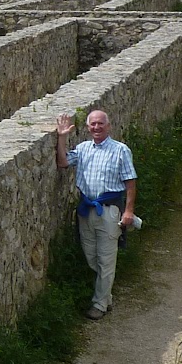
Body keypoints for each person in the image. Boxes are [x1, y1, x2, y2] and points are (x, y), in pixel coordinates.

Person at [55, 109, 137, 320]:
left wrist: (128, 211)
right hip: (86, 210)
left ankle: (99, 304)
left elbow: (130, 182)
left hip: (109, 211)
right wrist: (62, 137)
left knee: (106, 260)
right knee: (91, 256)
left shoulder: (120, 150)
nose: (97, 127)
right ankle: (106, 296)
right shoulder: (83, 149)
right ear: (88, 127)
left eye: (101, 123)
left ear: (108, 126)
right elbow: (63, 162)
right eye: (93, 124)